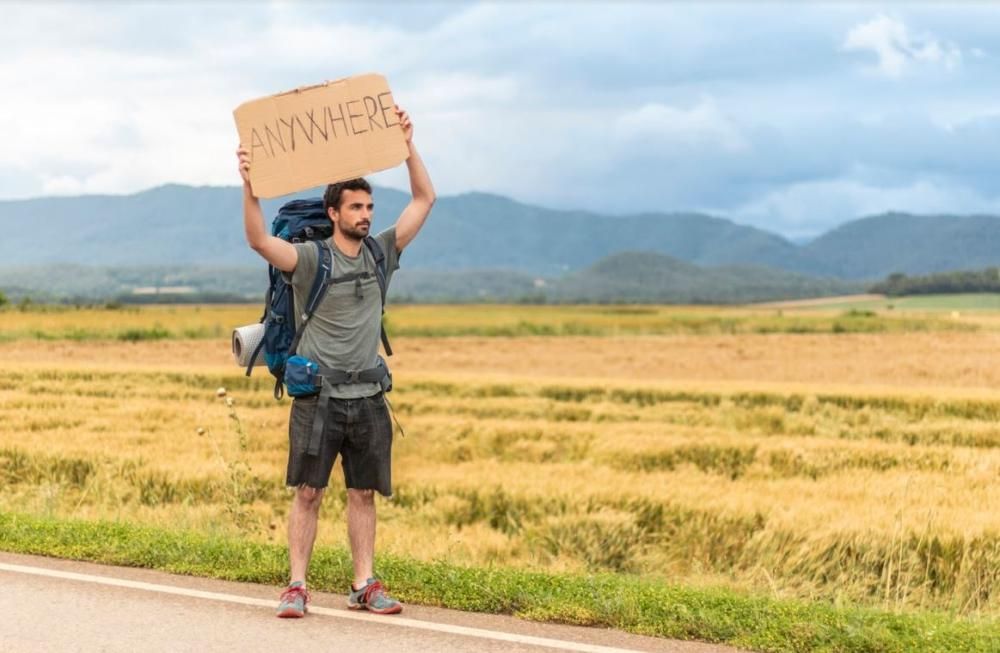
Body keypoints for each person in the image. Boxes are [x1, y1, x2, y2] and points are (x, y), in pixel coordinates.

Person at [236, 106, 435, 618]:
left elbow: (424, 199)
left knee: (363, 494)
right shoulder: (309, 261)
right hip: (318, 397)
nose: (366, 214)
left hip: (369, 396)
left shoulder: (381, 252)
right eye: (355, 207)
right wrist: (250, 185)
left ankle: (364, 584)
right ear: (334, 213)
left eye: (369, 205)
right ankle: (296, 587)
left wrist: (408, 144)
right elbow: (259, 240)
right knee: (308, 493)